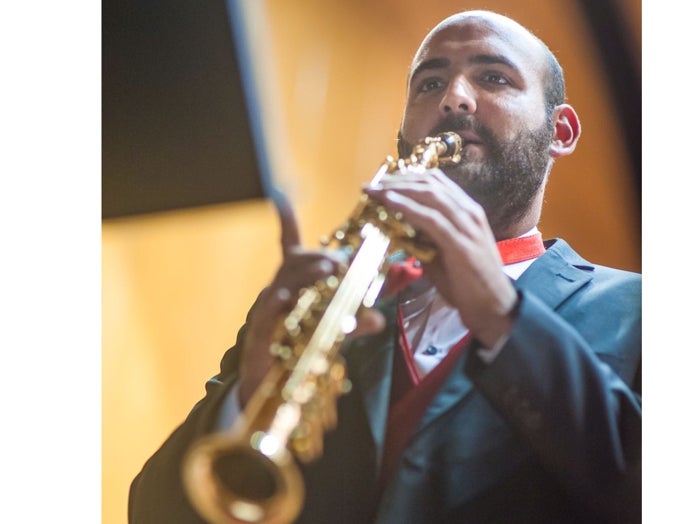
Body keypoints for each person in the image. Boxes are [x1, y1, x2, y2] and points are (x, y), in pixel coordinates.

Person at [129, 9, 641, 524]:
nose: (453, 98)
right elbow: (154, 512)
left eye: (493, 77)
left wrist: (500, 312)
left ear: (562, 130)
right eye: (429, 83)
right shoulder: (323, 308)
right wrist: (251, 390)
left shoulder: (638, 311)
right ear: (403, 135)